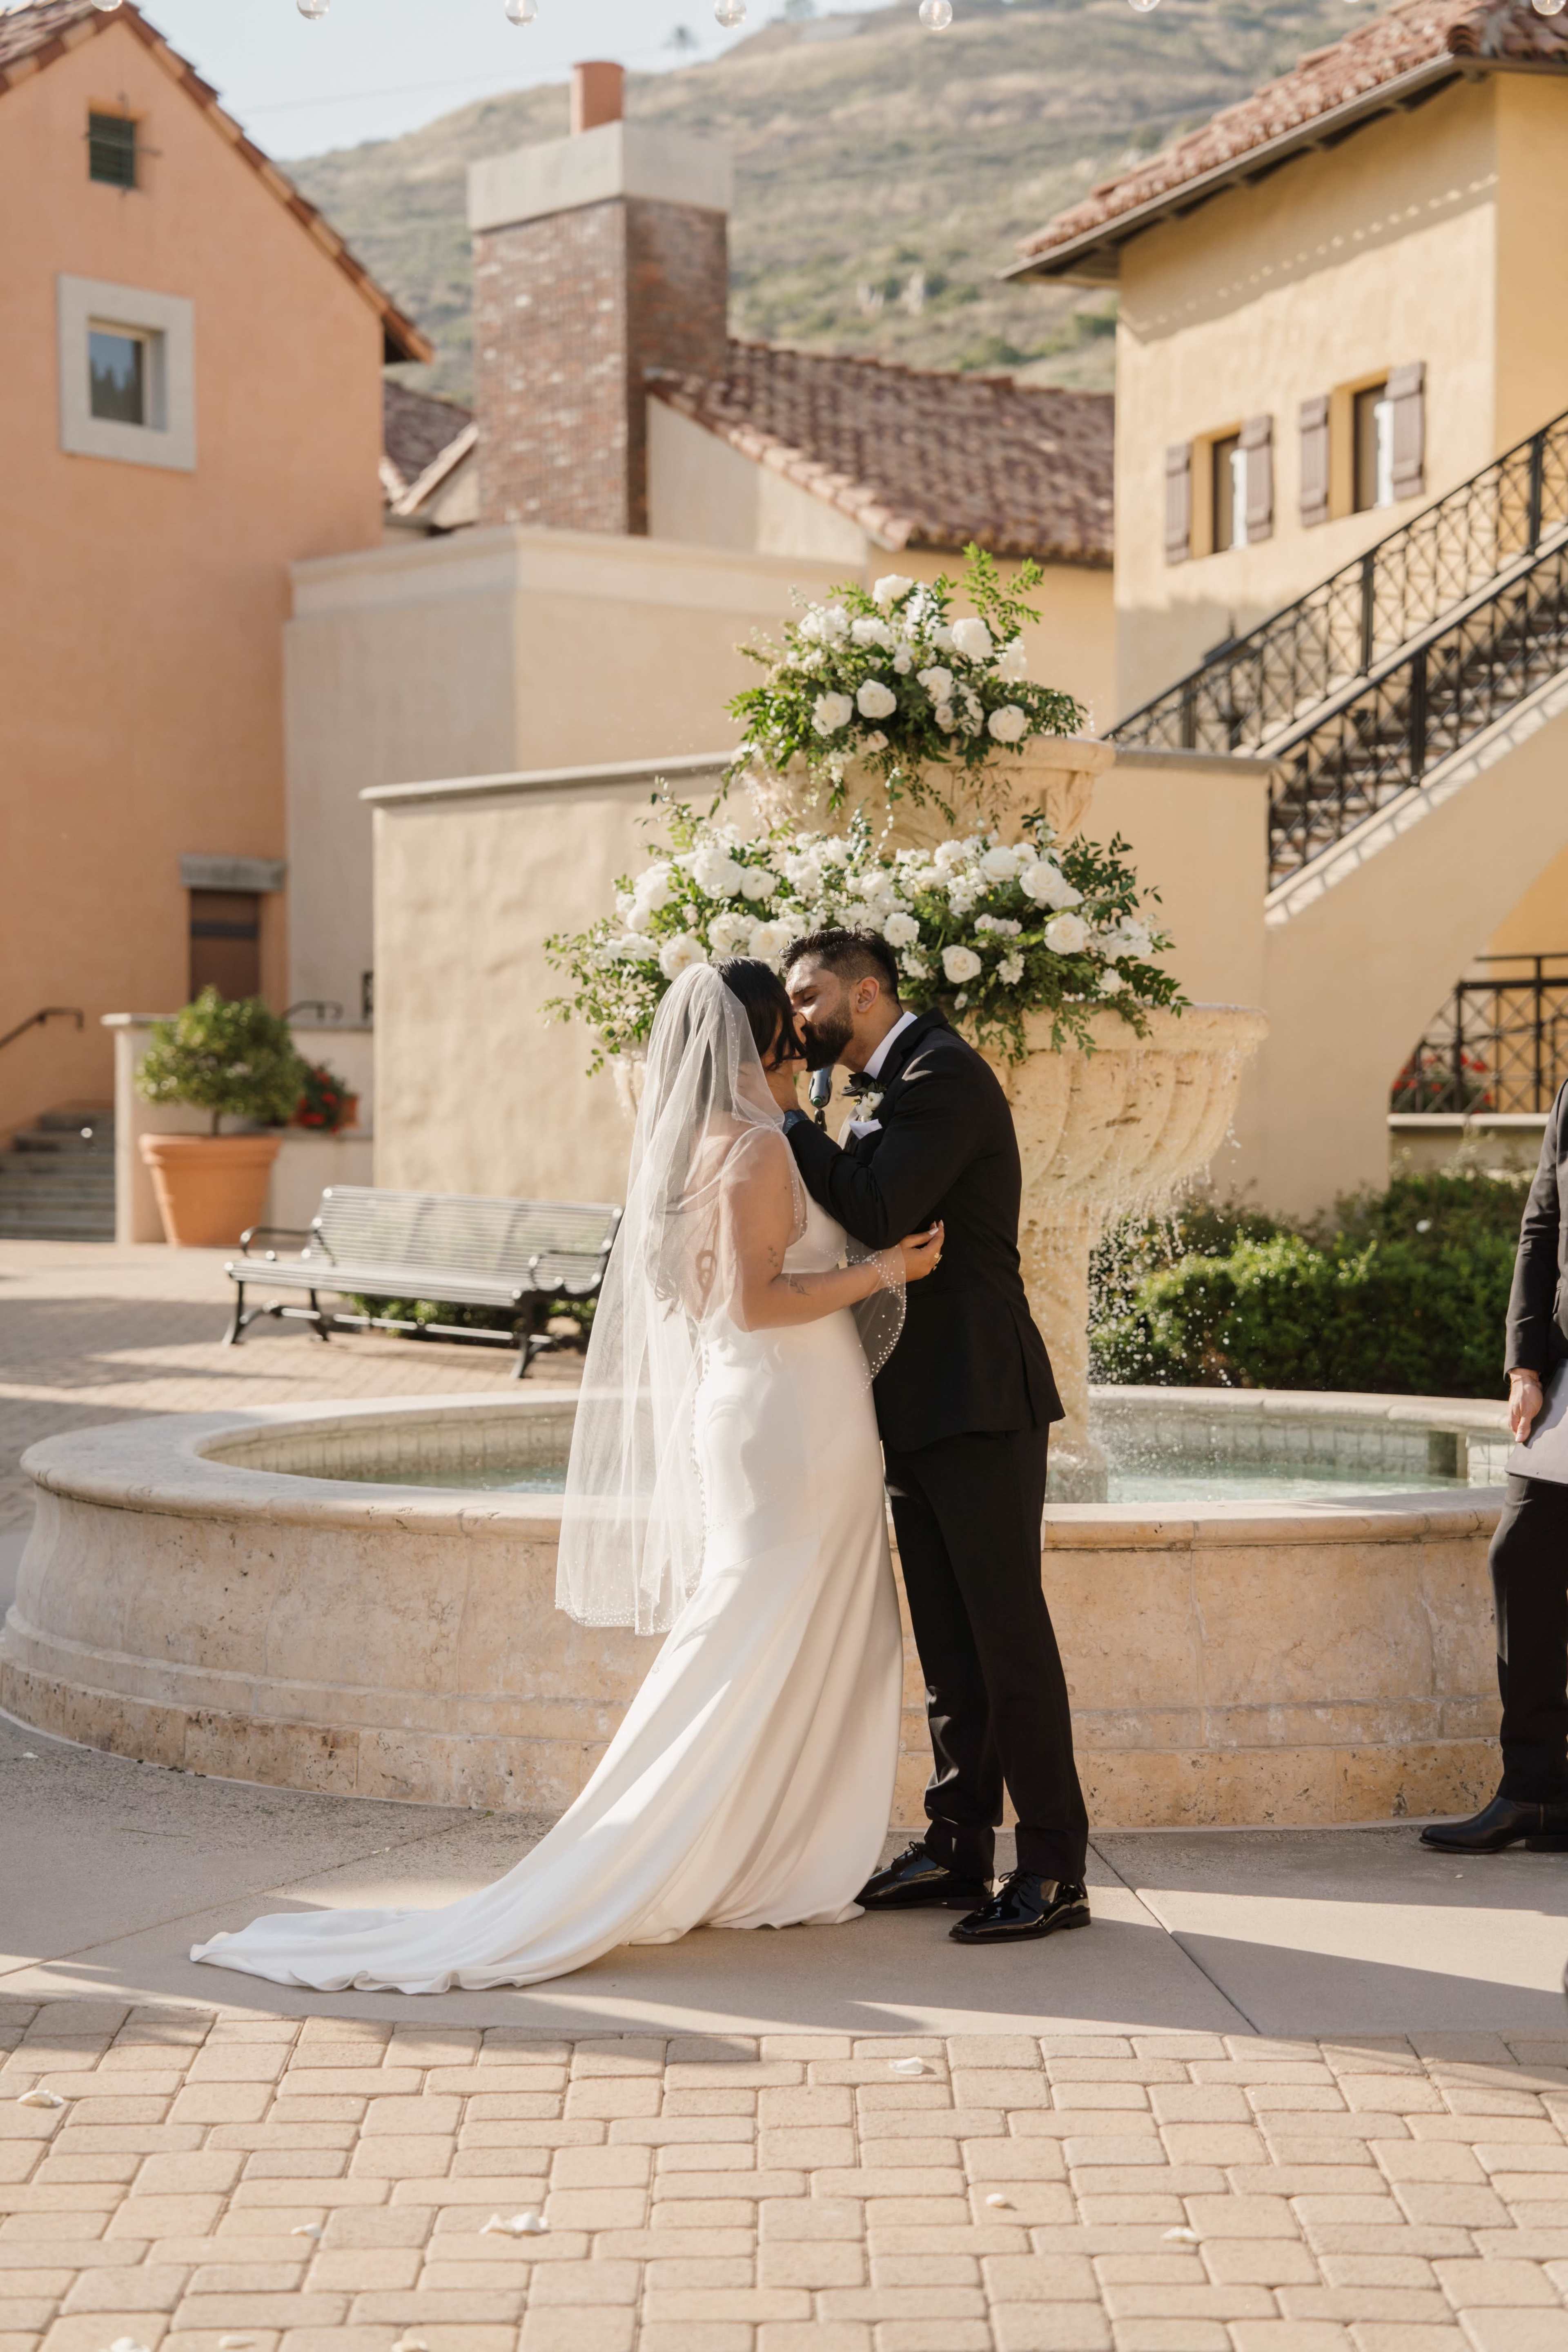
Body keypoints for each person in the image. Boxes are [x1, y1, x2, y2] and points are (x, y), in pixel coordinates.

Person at [188, 960, 941, 1993]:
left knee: (796, 1630)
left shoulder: (702, 1145)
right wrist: (885, 1270)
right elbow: (756, 1305)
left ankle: (761, 1852)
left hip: (774, 1416)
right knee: (758, 1633)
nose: (802, 1045)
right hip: (792, 1419)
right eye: (790, 1031)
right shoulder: (759, 1150)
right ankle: (661, 1852)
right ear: (764, 1041)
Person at [780, 927, 1090, 1947]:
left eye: (810, 995)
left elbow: (878, 1203)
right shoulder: (882, 1083)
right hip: (913, 1402)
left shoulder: (943, 1076)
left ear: (867, 994)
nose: (799, 1016)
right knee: (953, 1649)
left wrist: (787, 1123)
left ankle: (1053, 1866)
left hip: (980, 1396)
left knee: (1008, 1640)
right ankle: (959, 1845)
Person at [1422, 1076, 1568, 1856]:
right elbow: (1540, 1226)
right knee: (1522, 1554)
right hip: (1567, 1367)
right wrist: (1525, 1365)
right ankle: (1537, 1792)